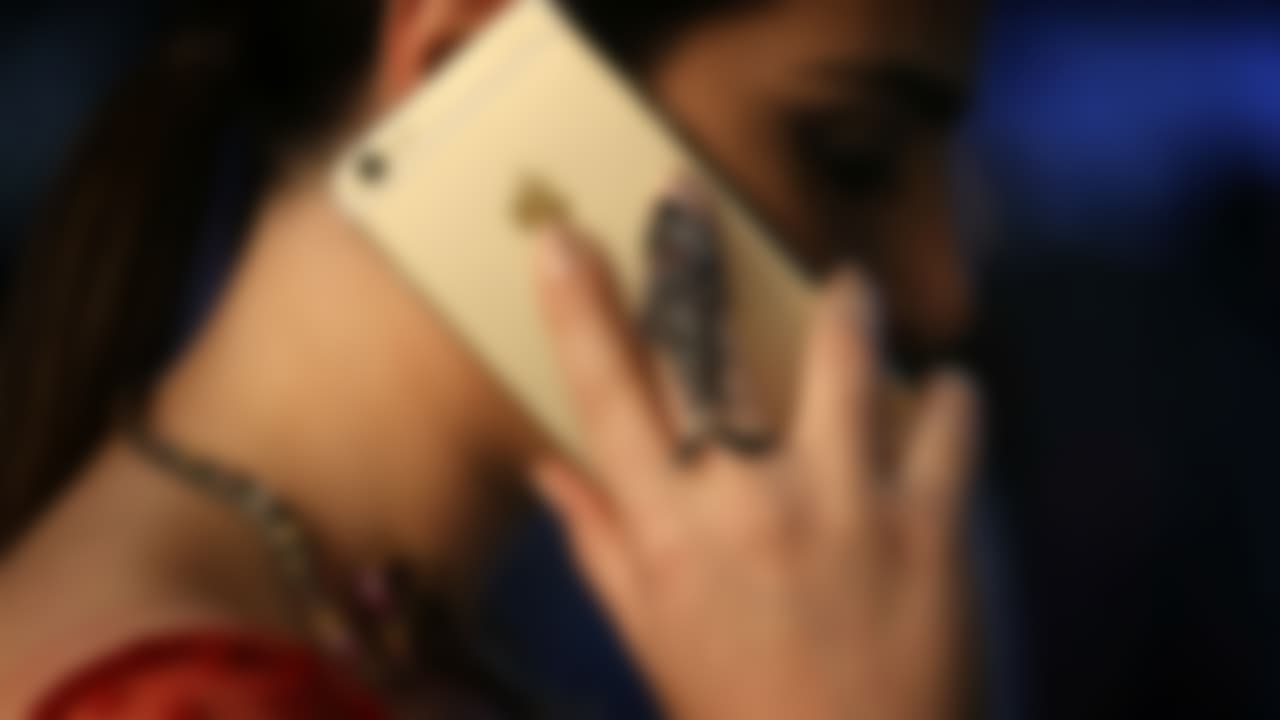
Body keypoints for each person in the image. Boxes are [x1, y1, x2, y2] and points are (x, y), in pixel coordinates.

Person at [0, 0, 984, 716]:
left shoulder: (365, 628)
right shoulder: (179, 700)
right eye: (849, 153)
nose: (940, 293)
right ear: (467, 68)